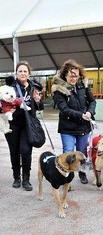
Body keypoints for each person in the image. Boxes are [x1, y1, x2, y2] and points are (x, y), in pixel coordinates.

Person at [51, 59, 96, 184]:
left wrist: (90, 112)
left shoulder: (83, 86)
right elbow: (64, 109)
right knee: (68, 153)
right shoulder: (59, 89)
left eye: (76, 75)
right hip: (67, 128)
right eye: (71, 75)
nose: (74, 78)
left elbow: (92, 101)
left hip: (83, 127)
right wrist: (81, 115)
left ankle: (82, 173)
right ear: (65, 75)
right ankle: (66, 177)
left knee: (82, 153)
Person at [4, 61, 44, 191]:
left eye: (25, 71)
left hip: (28, 124)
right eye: (20, 71)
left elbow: (39, 107)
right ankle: (17, 177)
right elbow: (1, 103)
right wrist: (7, 110)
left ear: (29, 74)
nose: (22, 73)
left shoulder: (33, 87)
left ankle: (26, 179)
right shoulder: (10, 86)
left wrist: (38, 101)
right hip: (12, 124)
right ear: (16, 73)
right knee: (14, 151)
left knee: (26, 151)